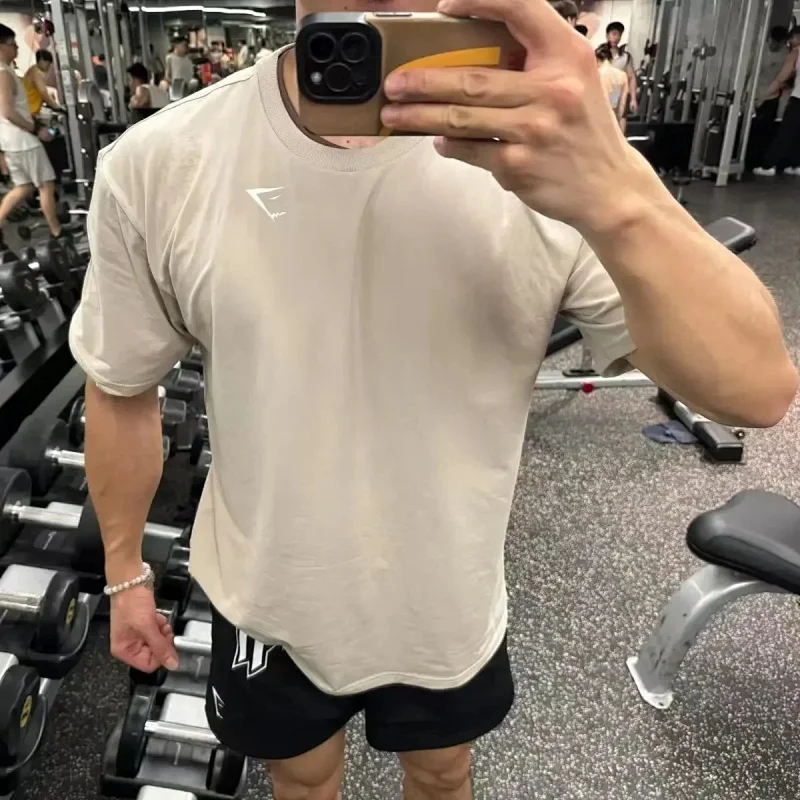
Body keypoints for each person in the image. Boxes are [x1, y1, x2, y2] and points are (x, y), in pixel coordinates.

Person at [69, 0, 797, 798]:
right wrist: (124, 575)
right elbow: (122, 386)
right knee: (302, 781)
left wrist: (619, 191)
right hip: (268, 593)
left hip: (446, 600)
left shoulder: (542, 156)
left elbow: (754, 390)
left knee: (444, 774)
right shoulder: (162, 160)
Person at [0, 25, 62, 240]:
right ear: (1, 46)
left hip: (11, 140)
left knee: (24, 186)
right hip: (22, 141)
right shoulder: (3, 73)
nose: (17, 48)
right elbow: (7, 111)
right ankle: (56, 231)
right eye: (13, 44)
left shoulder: (6, 71)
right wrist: (36, 129)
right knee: (46, 184)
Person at [754, 24, 800, 176]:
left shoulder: (795, 52)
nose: (790, 42)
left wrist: (764, 95)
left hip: (798, 98)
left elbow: (782, 77)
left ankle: (768, 166)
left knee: (785, 132)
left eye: (791, 39)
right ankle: (795, 164)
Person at [606, 22, 637, 121]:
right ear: (607, 35)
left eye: (619, 35)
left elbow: (631, 77)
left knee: (620, 121)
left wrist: (633, 99)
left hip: (618, 97)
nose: (616, 37)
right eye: (614, 34)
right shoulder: (599, 54)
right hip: (602, 97)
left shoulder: (625, 57)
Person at [23, 49, 63, 117]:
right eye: (48, 64)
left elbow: (43, 90)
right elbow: (44, 93)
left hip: (31, 109)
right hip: (30, 111)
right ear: (41, 60)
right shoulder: (36, 73)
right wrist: (57, 107)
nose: (49, 67)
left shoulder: (34, 70)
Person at [596, 43, 628, 126]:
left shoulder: (596, 74)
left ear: (597, 59)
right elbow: (622, 105)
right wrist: (618, 119)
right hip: (613, 117)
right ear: (611, 59)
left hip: (597, 117)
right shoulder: (623, 75)